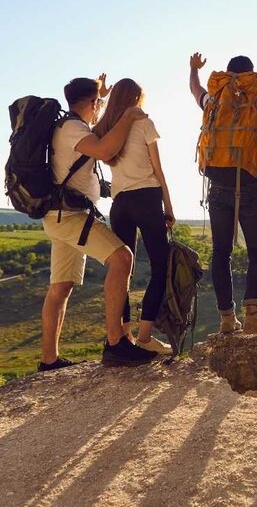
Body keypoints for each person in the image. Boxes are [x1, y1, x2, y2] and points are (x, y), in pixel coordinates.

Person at [39, 74, 156, 370]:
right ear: (91, 103)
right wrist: (129, 115)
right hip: (71, 216)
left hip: (58, 215)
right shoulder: (73, 129)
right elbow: (105, 149)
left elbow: (98, 131)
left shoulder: (66, 126)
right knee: (122, 258)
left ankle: (49, 360)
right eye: (97, 103)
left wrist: (102, 98)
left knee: (60, 287)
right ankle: (116, 344)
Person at [189, 53, 257, 335]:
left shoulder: (214, 100)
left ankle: (227, 319)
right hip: (250, 184)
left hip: (217, 186)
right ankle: (254, 316)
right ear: (251, 75)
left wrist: (193, 69)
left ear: (228, 74)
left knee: (221, 252)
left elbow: (196, 91)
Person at [93, 78, 174, 355]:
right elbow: (158, 169)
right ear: (137, 99)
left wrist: (101, 98)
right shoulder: (144, 124)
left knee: (122, 271)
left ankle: (124, 335)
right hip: (147, 198)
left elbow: (94, 123)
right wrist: (169, 207)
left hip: (120, 204)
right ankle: (145, 336)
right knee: (160, 267)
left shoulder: (107, 130)